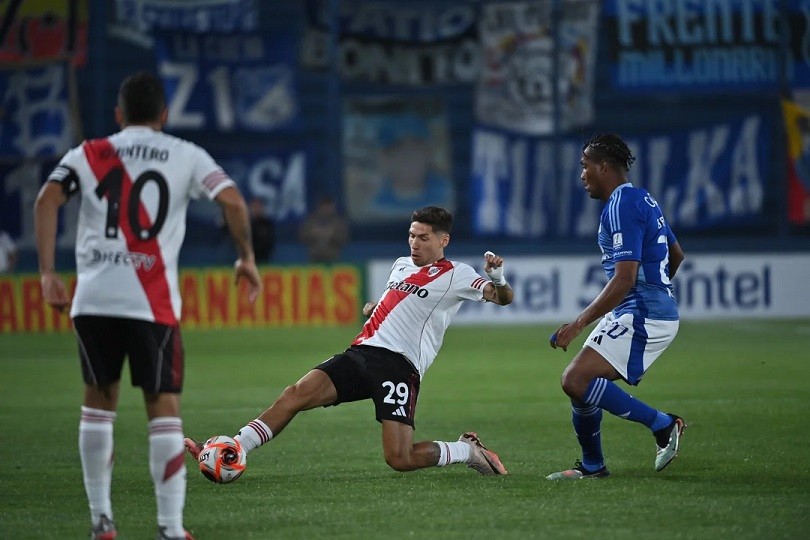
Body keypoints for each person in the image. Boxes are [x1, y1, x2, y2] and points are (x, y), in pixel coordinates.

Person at [34, 71, 261, 539]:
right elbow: (234, 202)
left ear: (118, 115)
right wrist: (245, 258)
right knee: (163, 408)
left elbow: (46, 200)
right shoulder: (186, 154)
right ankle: (170, 528)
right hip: (151, 302)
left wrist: (47, 272)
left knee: (98, 405)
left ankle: (101, 521)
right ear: (164, 114)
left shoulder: (89, 153)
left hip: (93, 298)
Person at [186, 206, 514, 477]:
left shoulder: (456, 274)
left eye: (423, 238)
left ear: (443, 240)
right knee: (295, 394)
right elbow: (397, 304)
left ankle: (466, 450)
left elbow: (502, 298)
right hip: (361, 354)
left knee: (400, 458)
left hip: (399, 367)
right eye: (411, 235)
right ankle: (236, 447)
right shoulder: (401, 265)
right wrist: (375, 309)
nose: (414, 243)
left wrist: (497, 278)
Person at [546, 133, 686, 480]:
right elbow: (676, 254)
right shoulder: (643, 199)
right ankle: (593, 466)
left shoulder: (622, 204)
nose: (582, 175)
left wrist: (577, 324)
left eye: (585, 166)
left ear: (603, 166)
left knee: (575, 379)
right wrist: (659, 288)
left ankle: (663, 425)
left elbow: (624, 278)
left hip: (644, 312)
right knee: (580, 383)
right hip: (640, 308)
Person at [298, 196, 349, 263]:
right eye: (325, 207)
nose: (327, 209)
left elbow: (343, 239)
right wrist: (313, 233)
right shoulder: (311, 221)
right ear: (320, 207)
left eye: (329, 207)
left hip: (333, 259)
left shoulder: (339, 223)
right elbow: (302, 236)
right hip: (314, 258)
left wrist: (331, 235)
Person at [248, 197, 275, 263]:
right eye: (254, 206)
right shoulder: (246, 223)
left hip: (264, 256)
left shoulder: (267, 223)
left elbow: (271, 240)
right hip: (248, 255)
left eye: (258, 206)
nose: (256, 209)